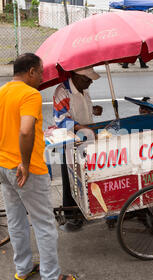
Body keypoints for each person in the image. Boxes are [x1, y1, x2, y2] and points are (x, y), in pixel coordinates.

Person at [0, 53, 76, 280]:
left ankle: (23, 268)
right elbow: (26, 132)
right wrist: (24, 160)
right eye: (41, 72)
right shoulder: (30, 95)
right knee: (45, 224)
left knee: (16, 221)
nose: (43, 77)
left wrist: (11, 144)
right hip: (27, 169)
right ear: (31, 72)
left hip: (3, 166)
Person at [52, 67, 103, 231]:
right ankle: (71, 217)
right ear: (76, 76)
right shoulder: (62, 92)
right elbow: (61, 121)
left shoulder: (83, 88)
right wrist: (83, 129)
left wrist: (93, 110)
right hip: (69, 141)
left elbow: (82, 108)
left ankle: (85, 209)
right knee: (71, 180)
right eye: (87, 79)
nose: (91, 82)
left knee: (84, 177)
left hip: (85, 140)